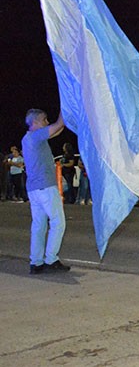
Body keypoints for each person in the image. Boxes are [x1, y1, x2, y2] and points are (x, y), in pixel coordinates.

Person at [22, 109, 70, 274]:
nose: (47, 122)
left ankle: (36, 262)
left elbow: (58, 129)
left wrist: (63, 121)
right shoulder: (36, 137)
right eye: (44, 119)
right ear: (34, 123)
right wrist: (65, 106)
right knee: (58, 222)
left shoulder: (28, 139)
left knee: (39, 225)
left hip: (34, 189)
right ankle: (51, 258)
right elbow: (58, 125)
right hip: (45, 187)